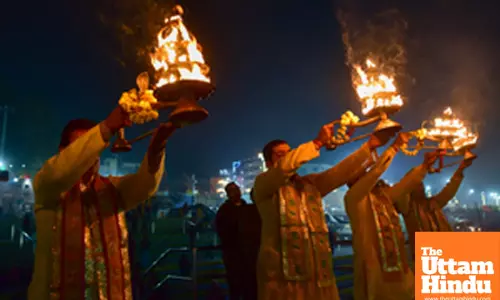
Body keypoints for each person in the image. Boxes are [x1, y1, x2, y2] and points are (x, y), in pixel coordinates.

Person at [28, 105, 177, 300]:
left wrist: (157, 148)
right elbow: (59, 173)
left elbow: (144, 185)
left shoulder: (110, 189)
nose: (89, 156)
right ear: (62, 151)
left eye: (93, 148)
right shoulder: (48, 186)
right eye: (81, 147)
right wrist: (106, 128)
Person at [252, 123, 389, 300]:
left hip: (318, 275)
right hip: (283, 279)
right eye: (281, 155)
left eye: (290, 153)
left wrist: (368, 147)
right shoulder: (264, 186)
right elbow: (284, 168)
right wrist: (317, 143)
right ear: (269, 163)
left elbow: (339, 173)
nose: (289, 158)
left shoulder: (310, 185)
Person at [344, 134, 438, 300]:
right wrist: (394, 148)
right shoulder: (354, 198)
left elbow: (404, 186)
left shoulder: (382, 196)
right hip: (374, 272)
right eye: (361, 173)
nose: (366, 174)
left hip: (398, 268)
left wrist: (424, 166)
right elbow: (374, 174)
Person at [397, 157, 473, 261]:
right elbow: (402, 190)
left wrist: (460, 170)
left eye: (421, 185)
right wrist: (422, 168)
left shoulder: (433, 203)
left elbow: (449, 191)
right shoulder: (407, 208)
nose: (421, 187)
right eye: (416, 185)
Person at [215, 182, 247, 299]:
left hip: (247, 252)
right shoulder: (224, 210)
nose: (236, 192)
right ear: (228, 194)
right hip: (232, 252)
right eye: (233, 190)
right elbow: (221, 230)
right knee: (234, 282)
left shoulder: (246, 207)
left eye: (237, 189)